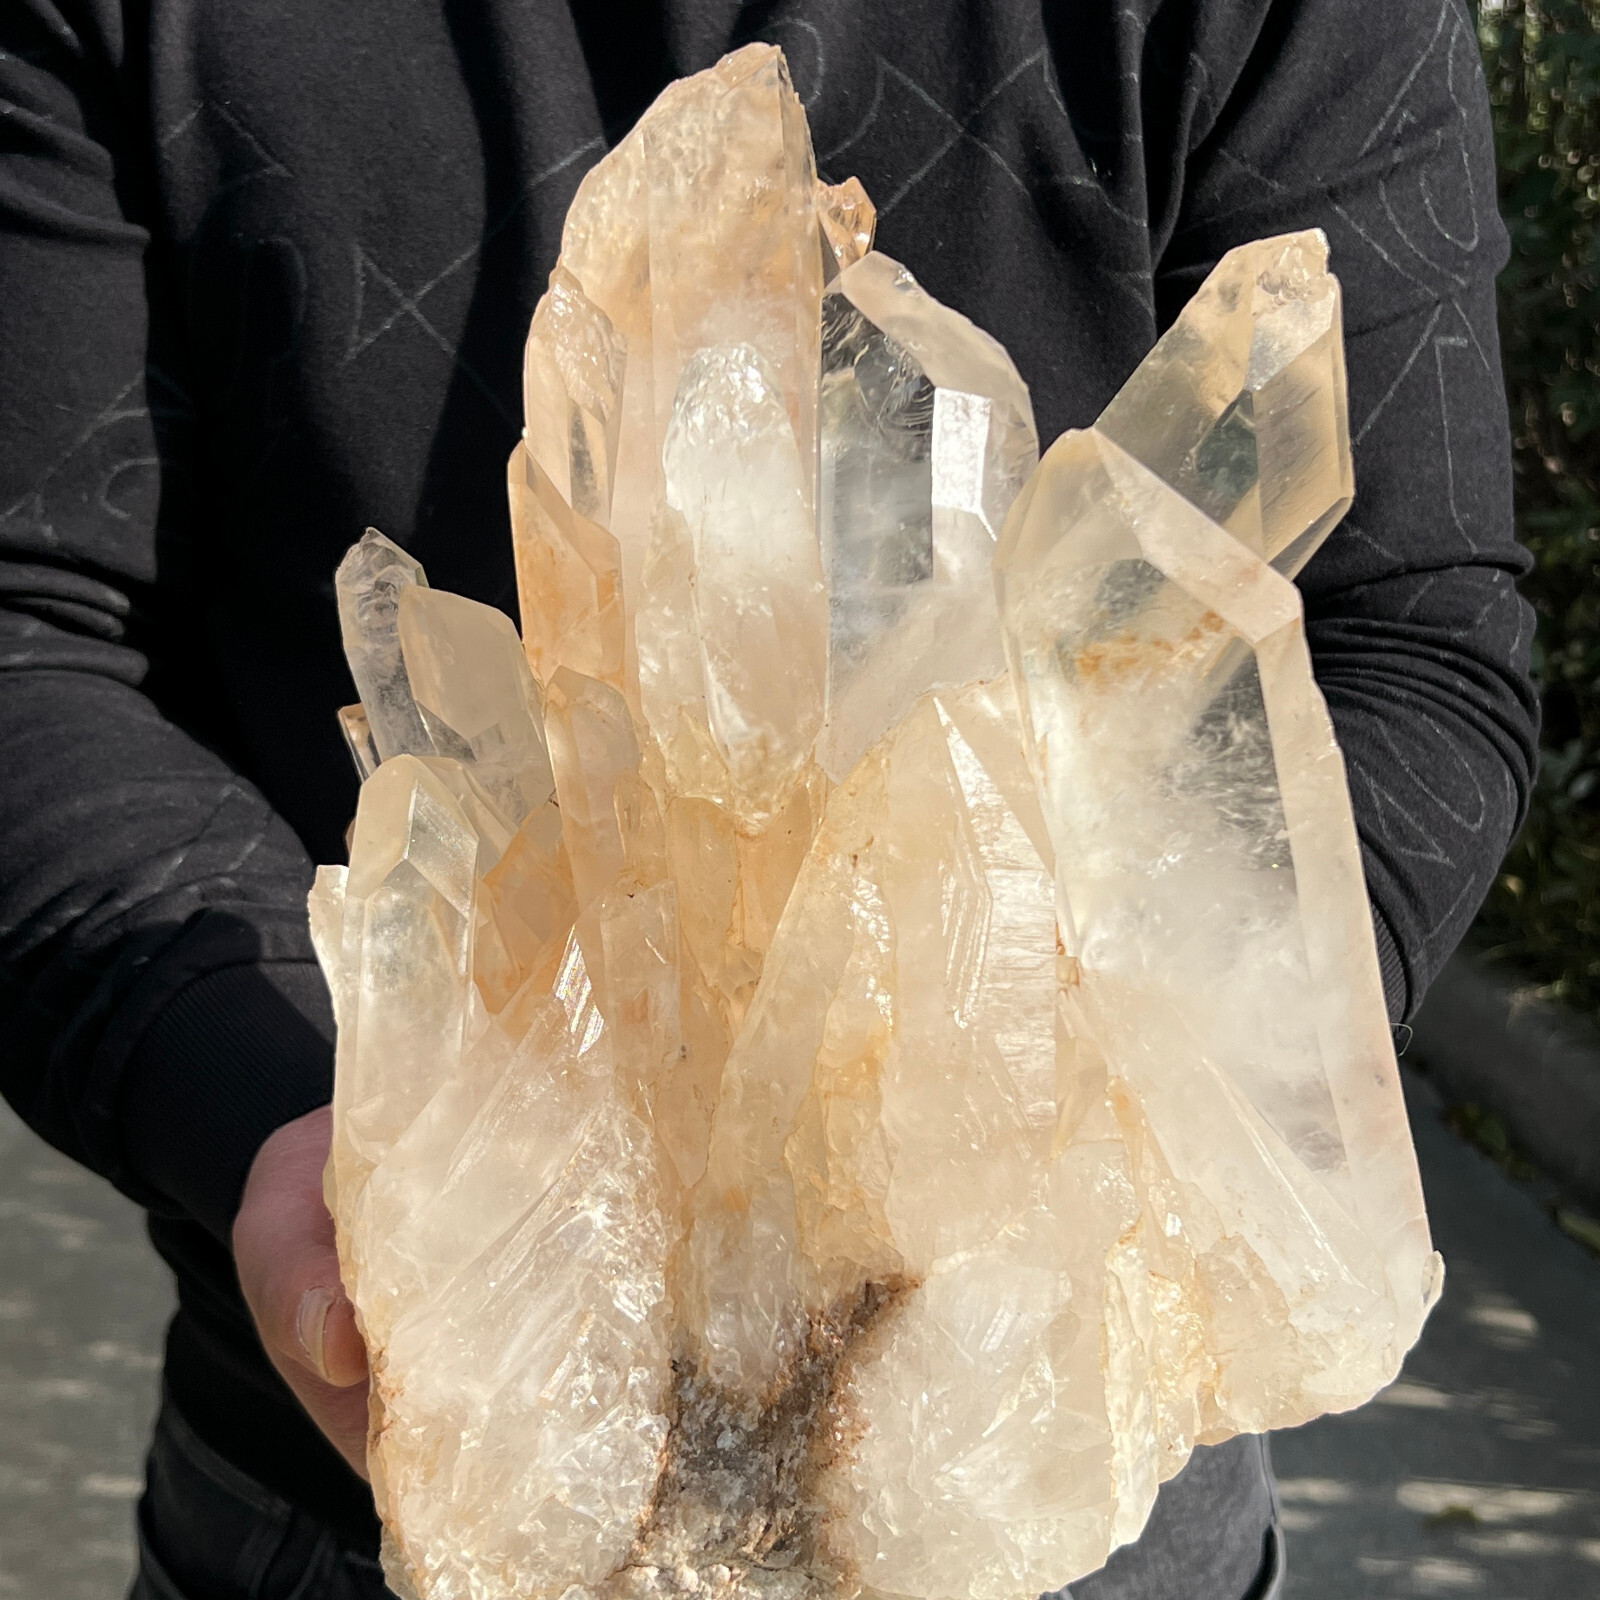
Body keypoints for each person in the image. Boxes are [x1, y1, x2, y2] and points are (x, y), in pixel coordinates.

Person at [0, 0, 1538, 1596]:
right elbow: (31, 646)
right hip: (354, 1474)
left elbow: (1417, 637)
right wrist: (319, 1139)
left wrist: (1138, 1135)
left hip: (1063, 1476)